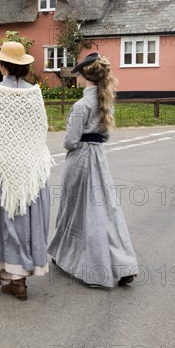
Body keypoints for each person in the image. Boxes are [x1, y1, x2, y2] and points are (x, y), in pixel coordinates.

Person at [0, 42, 55, 301]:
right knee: (22, 218)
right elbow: (40, 130)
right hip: (28, 164)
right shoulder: (35, 93)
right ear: (25, 66)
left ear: (3, 64)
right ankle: (17, 281)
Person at [47, 53, 138, 288]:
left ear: (85, 77)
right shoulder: (105, 102)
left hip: (79, 160)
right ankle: (122, 263)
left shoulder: (81, 105)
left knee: (75, 209)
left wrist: (74, 141)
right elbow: (105, 135)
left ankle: (72, 256)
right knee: (104, 211)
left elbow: (70, 141)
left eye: (78, 75)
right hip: (98, 158)